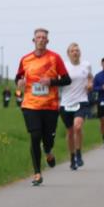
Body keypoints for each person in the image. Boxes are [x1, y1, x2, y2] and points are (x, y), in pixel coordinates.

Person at [15, 28, 71, 186]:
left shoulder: (55, 58)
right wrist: (19, 83)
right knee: (34, 136)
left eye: (43, 37)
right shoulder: (25, 59)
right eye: (38, 37)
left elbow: (67, 80)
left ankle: (48, 151)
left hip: (50, 106)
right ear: (33, 41)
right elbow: (18, 78)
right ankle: (37, 173)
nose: (40, 40)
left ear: (47, 41)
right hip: (30, 105)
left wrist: (51, 82)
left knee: (48, 139)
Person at [59, 43, 93, 170]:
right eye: (72, 51)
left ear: (80, 53)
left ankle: (79, 153)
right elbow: (58, 81)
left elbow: (90, 78)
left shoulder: (86, 65)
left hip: (81, 101)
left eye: (77, 50)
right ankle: (72, 156)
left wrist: (90, 84)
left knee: (77, 127)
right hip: (66, 103)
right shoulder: (63, 66)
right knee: (70, 132)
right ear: (68, 54)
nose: (75, 52)